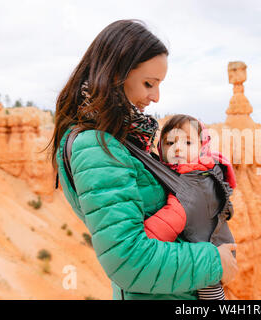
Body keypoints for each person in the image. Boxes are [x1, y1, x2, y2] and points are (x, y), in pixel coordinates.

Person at [48, 19, 238, 300]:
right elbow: (128, 260)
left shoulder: (123, 138)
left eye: (159, 85)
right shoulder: (96, 145)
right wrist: (213, 262)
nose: (156, 97)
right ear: (116, 75)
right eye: (149, 83)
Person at [143, 114, 237, 300]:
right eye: (170, 143)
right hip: (213, 250)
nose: (177, 148)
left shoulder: (192, 183)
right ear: (161, 148)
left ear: (202, 148)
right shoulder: (204, 170)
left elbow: (173, 218)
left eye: (187, 143)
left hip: (212, 257)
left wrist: (139, 238)